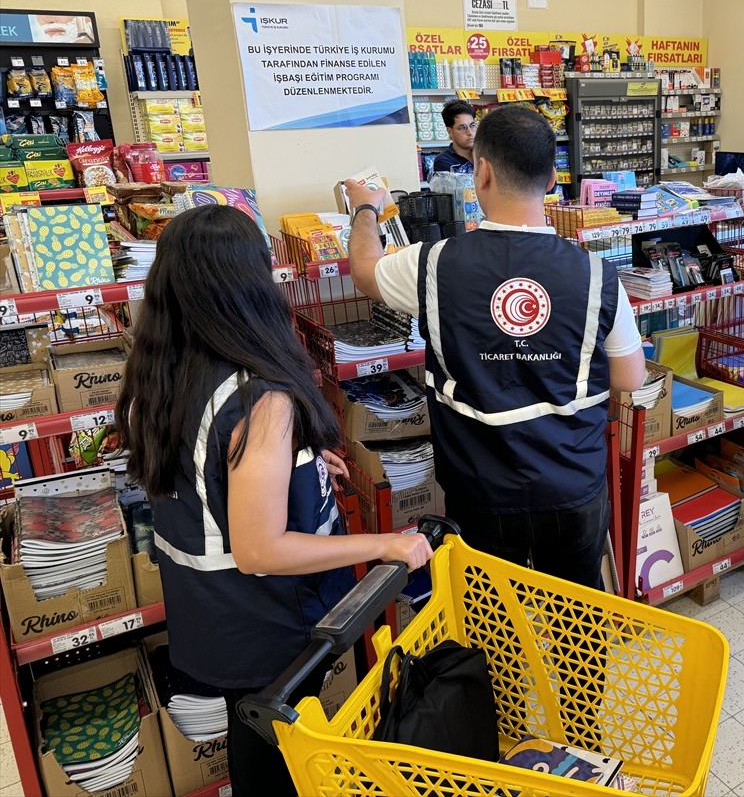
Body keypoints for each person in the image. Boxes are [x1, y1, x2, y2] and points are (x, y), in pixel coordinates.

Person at [115, 206, 434, 796]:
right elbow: (260, 549)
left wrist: (299, 463)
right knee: (275, 757)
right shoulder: (258, 396)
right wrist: (386, 543)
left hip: (210, 615)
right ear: (251, 284)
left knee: (255, 738)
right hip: (267, 621)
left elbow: (210, 474)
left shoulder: (161, 373)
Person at [347, 103, 645, 589]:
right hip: (572, 485)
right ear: (552, 179)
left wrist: (365, 208)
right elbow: (631, 377)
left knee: (489, 618)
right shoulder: (597, 275)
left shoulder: (431, 264)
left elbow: (364, 271)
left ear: (481, 171)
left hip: (479, 491)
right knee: (578, 619)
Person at [432, 99, 477, 174]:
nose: (470, 132)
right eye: (462, 127)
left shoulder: (484, 154)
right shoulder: (443, 161)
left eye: (472, 125)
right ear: (450, 131)